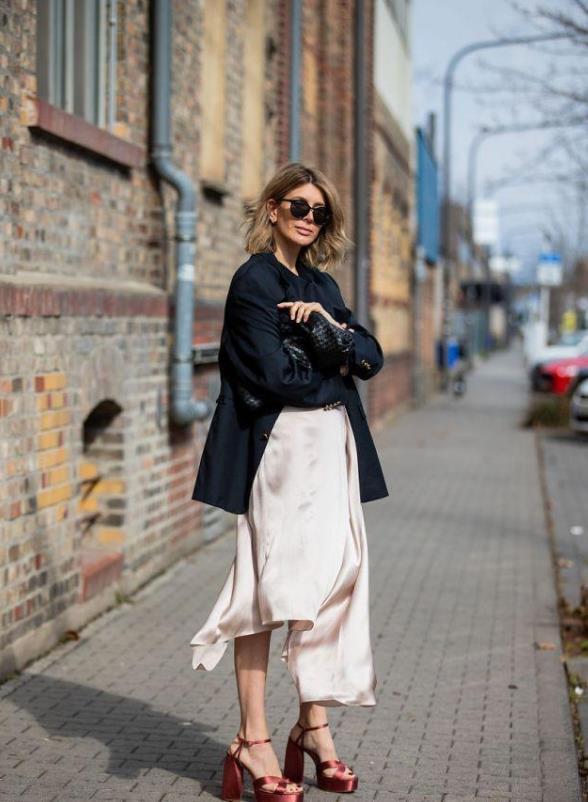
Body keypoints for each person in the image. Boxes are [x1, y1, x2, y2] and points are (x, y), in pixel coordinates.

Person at [189, 162, 388, 802]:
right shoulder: (253, 282)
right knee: (268, 589)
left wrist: (327, 328)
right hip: (280, 450)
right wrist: (334, 350)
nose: (309, 218)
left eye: (319, 211)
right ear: (273, 208)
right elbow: (278, 377)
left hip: (333, 449)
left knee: (331, 586)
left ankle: (313, 726)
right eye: (299, 206)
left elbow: (371, 356)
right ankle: (254, 738)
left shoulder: (322, 284)